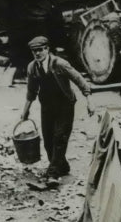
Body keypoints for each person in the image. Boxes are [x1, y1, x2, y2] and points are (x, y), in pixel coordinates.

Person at [20, 36, 92, 181]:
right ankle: (62, 166)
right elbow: (31, 91)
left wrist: (90, 100)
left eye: (40, 50)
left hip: (65, 105)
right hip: (47, 106)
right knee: (48, 141)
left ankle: (52, 174)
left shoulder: (60, 64)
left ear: (47, 49)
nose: (37, 54)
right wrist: (25, 112)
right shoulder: (32, 67)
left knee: (59, 137)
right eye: (34, 51)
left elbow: (79, 80)